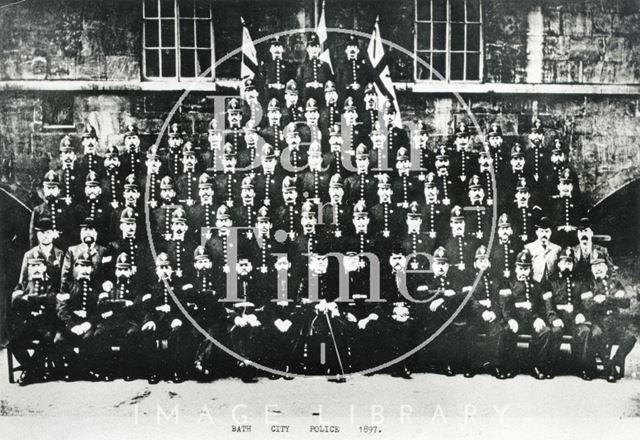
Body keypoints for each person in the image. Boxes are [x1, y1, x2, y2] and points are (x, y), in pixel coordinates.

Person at [500, 249, 560, 379]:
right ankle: (508, 366)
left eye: (526, 268)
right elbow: (505, 306)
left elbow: (543, 307)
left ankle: (537, 366)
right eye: (520, 268)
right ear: (515, 268)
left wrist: (539, 318)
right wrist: (510, 319)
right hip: (515, 320)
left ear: (530, 269)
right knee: (506, 331)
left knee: (545, 331)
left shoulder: (537, 286)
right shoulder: (508, 284)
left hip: (531, 321)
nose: (523, 271)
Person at [582, 252, 637, 382]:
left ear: (606, 267)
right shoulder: (587, 285)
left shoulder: (615, 283)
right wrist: (613, 299)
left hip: (615, 322)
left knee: (630, 338)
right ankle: (609, 369)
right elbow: (588, 305)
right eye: (595, 266)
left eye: (601, 265)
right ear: (591, 269)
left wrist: (605, 298)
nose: (598, 268)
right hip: (598, 322)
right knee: (599, 336)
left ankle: (615, 361)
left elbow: (626, 302)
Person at [10, 249, 58, 385]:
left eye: (39, 265)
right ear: (28, 268)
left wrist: (29, 298)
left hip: (46, 323)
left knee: (47, 338)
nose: (36, 269)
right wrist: (38, 301)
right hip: (29, 323)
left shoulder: (51, 284)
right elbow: (15, 301)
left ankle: (29, 372)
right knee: (14, 341)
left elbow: (51, 300)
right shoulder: (23, 284)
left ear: (44, 267)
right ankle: (34, 369)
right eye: (32, 266)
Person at [524, 216, 561, 283]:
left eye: (547, 231)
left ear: (550, 233)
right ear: (537, 232)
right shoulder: (529, 247)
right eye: (541, 231)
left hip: (551, 284)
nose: (544, 234)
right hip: (535, 284)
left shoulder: (557, 249)